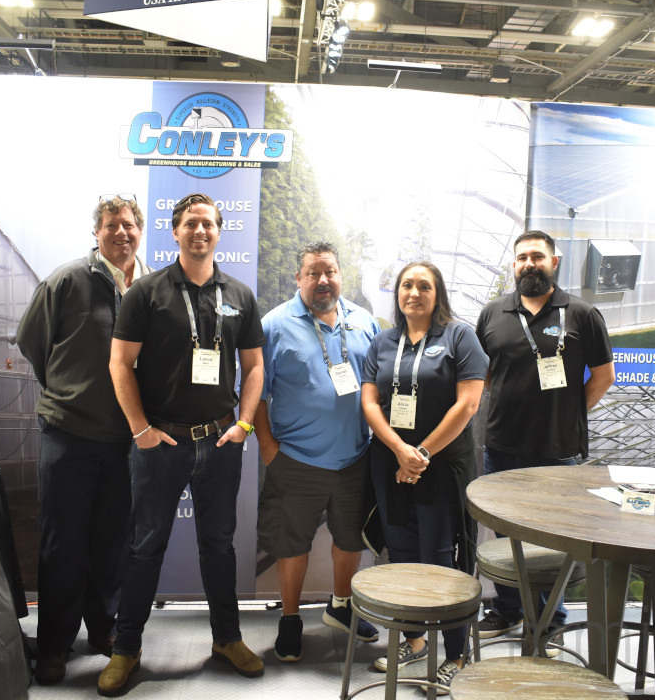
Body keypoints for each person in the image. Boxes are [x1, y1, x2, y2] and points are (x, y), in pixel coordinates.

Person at [97, 192, 266, 696]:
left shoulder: (240, 295)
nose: (199, 231)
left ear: (219, 231)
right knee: (145, 547)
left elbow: (255, 366)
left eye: (208, 223)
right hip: (161, 444)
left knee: (219, 546)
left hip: (220, 442)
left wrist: (245, 425)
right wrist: (141, 431)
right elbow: (119, 363)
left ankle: (227, 638)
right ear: (175, 232)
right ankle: (127, 648)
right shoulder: (146, 293)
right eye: (190, 223)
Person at [16, 193, 149, 685]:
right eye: (111, 225)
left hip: (125, 438)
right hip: (68, 433)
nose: (121, 232)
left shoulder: (152, 288)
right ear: (97, 232)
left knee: (112, 541)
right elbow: (32, 341)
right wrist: (68, 389)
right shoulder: (68, 280)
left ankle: (103, 629)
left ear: (140, 231)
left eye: (129, 224)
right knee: (63, 543)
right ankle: (54, 644)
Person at [475, 229, 615, 640]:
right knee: (505, 534)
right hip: (502, 446)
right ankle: (507, 609)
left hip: (557, 450)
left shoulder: (582, 313)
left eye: (537, 256)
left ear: (554, 262)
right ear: (514, 265)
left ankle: (550, 622)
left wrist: (568, 414)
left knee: (551, 539)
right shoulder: (493, 313)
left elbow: (604, 376)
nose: (529, 264)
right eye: (522, 258)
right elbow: (484, 374)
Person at [361, 261, 489, 693]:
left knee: (441, 559)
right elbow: (370, 402)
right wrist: (400, 450)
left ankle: (456, 654)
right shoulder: (383, 340)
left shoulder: (459, 336)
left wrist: (421, 454)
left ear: (438, 295)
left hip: (442, 466)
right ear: (397, 293)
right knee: (400, 552)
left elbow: (468, 404)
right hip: (391, 464)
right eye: (406, 285)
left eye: (424, 286)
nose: (413, 293)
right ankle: (414, 640)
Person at [255, 241, 381, 663]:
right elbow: (256, 393)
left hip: (355, 458)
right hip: (295, 461)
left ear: (341, 276)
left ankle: (341, 606)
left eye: (330, 272)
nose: (322, 280)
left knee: (350, 539)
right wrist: (269, 449)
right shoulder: (274, 325)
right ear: (299, 278)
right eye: (313, 273)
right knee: (291, 544)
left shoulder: (363, 321)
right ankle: (290, 619)